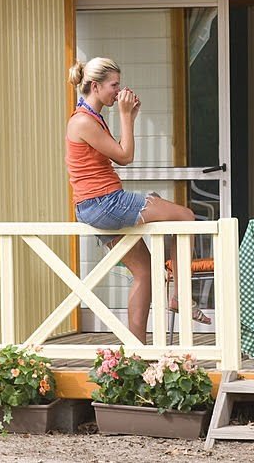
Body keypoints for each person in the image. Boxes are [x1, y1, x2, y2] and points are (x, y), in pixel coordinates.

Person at [66, 57, 211, 339]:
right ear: (95, 86)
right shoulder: (83, 121)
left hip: (96, 203)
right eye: (114, 85)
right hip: (103, 203)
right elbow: (125, 156)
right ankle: (180, 296)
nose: (118, 91)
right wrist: (124, 116)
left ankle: (137, 351)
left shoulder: (89, 117)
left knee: (145, 271)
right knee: (186, 216)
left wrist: (129, 117)